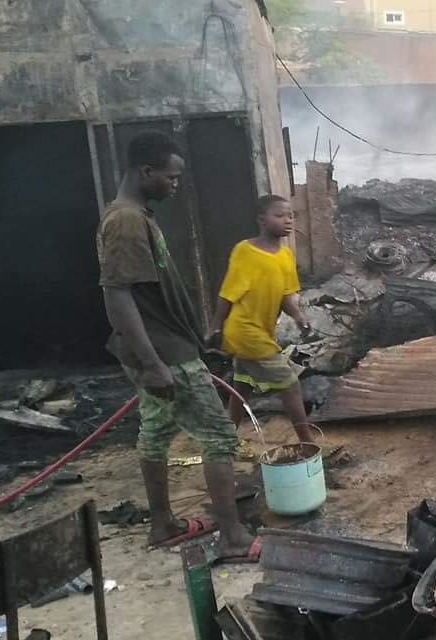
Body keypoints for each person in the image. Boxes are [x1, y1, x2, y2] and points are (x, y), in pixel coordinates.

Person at [97, 131, 258, 560]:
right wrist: (152, 363)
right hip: (165, 353)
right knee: (219, 437)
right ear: (145, 171)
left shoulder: (135, 215)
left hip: (163, 348)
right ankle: (233, 538)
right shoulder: (127, 221)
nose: (175, 184)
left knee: (156, 431)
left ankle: (163, 524)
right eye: (170, 177)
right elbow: (117, 294)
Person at [207, 195, 318, 444]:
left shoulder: (286, 255)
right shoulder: (245, 251)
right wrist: (215, 326)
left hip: (263, 331)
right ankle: (308, 442)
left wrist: (300, 318)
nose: (287, 221)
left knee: (242, 386)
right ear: (261, 220)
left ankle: (227, 442)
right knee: (289, 383)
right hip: (244, 330)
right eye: (279, 216)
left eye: (290, 216)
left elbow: (285, 296)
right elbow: (228, 292)